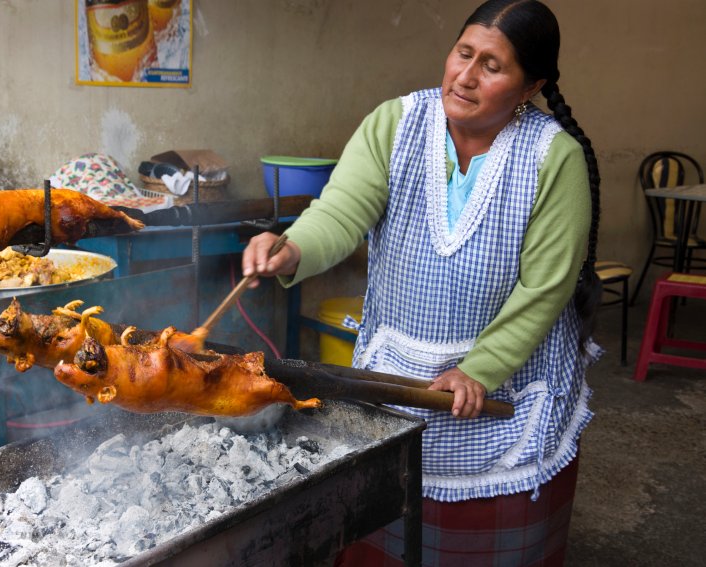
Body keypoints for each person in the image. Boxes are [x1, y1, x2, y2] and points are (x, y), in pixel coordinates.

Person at [241, 0, 601, 564]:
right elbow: (340, 212)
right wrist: (292, 251)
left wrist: (480, 369)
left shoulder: (553, 157)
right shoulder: (396, 124)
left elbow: (546, 288)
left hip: (506, 385)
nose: (466, 76)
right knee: (384, 519)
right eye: (463, 53)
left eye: (491, 66)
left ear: (531, 86)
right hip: (397, 371)